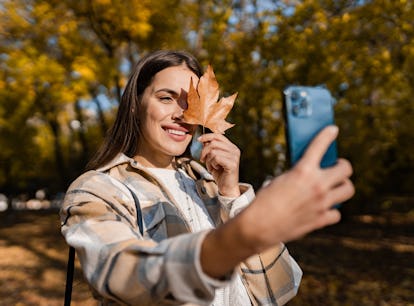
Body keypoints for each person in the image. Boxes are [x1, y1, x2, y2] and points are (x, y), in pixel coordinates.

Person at [60, 50, 354, 306]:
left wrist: (231, 195)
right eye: (166, 98)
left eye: (191, 104)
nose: (181, 115)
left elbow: (281, 291)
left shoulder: (209, 183)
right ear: (136, 105)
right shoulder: (98, 189)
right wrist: (240, 236)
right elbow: (119, 272)